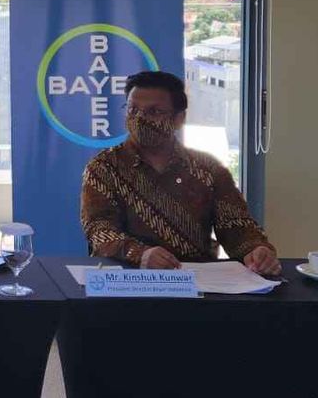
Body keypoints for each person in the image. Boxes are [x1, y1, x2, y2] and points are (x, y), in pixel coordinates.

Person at [81, 70, 279, 273]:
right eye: (132, 110)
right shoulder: (104, 167)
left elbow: (235, 225)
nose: (139, 118)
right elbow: (99, 229)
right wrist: (140, 254)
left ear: (179, 118)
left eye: (154, 112)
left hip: (198, 283)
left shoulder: (208, 169)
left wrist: (257, 250)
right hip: (127, 281)